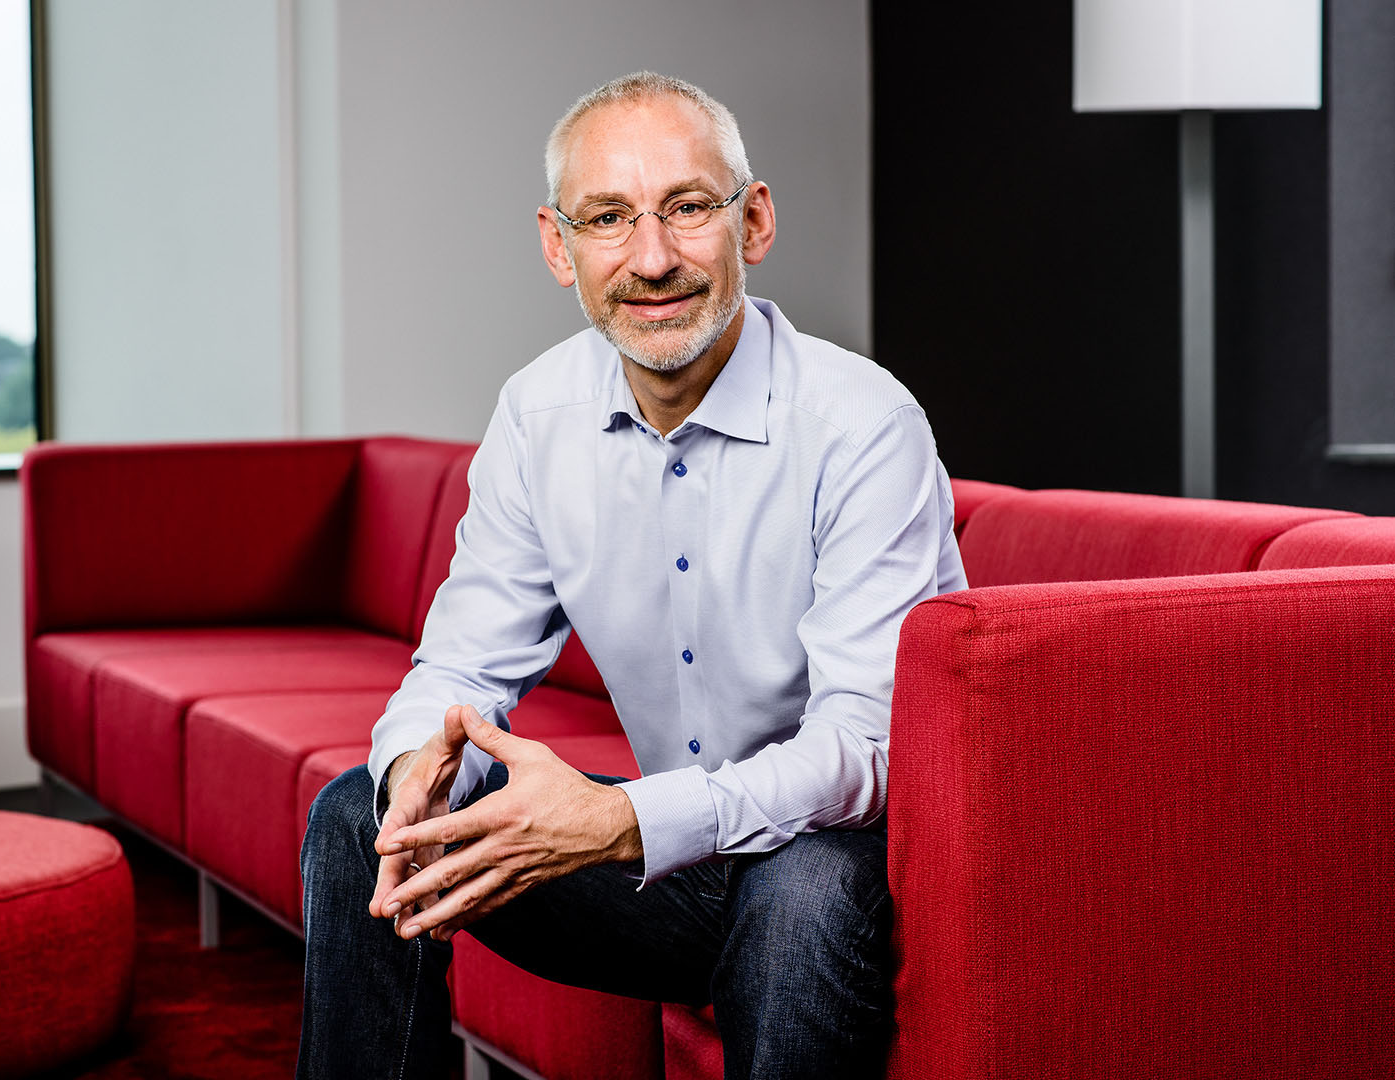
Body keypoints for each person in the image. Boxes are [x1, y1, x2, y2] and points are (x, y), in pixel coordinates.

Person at [297, 71, 967, 1080]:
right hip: (675, 867)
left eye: (688, 208)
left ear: (755, 220)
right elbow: (461, 667)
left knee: (802, 892)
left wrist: (623, 821)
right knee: (358, 815)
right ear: (557, 247)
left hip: (842, 863)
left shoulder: (862, 423)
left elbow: (864, 753)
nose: (652, 258)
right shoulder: (538, 413)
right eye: (608, 218)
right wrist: (416, 773)